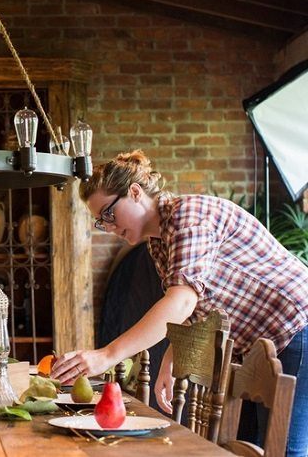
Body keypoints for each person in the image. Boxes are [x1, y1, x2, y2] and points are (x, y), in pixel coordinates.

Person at [51, 149, 308, 457]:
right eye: (99, 222)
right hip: (261, 344)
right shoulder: (159, 242)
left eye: (108, 214)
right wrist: (170, 363)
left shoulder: (189, 217)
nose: (107, 227)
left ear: (134, 193)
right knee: (250, 449)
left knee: (286, 449)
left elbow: (182, 302)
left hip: (296, 326)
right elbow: (193, 311)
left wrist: (106, 355)